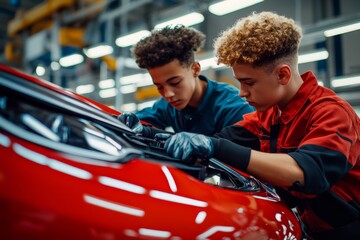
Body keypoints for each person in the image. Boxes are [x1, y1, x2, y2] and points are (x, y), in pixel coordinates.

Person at [164, 12, 360, 239]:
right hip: (312, 228)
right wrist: (152, 137)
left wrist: (217, 147)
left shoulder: (332, 113)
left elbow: (305, 173)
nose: (242, 92)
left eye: (249, 82)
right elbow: (222, 138)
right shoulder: (268, 116)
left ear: (283, 75)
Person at [118, 25, 254, 137]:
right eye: (159, 87)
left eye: (175, 82)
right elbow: (137, 120)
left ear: (195, 69)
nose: (168, 94)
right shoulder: (167, 106)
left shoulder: (234, 108)